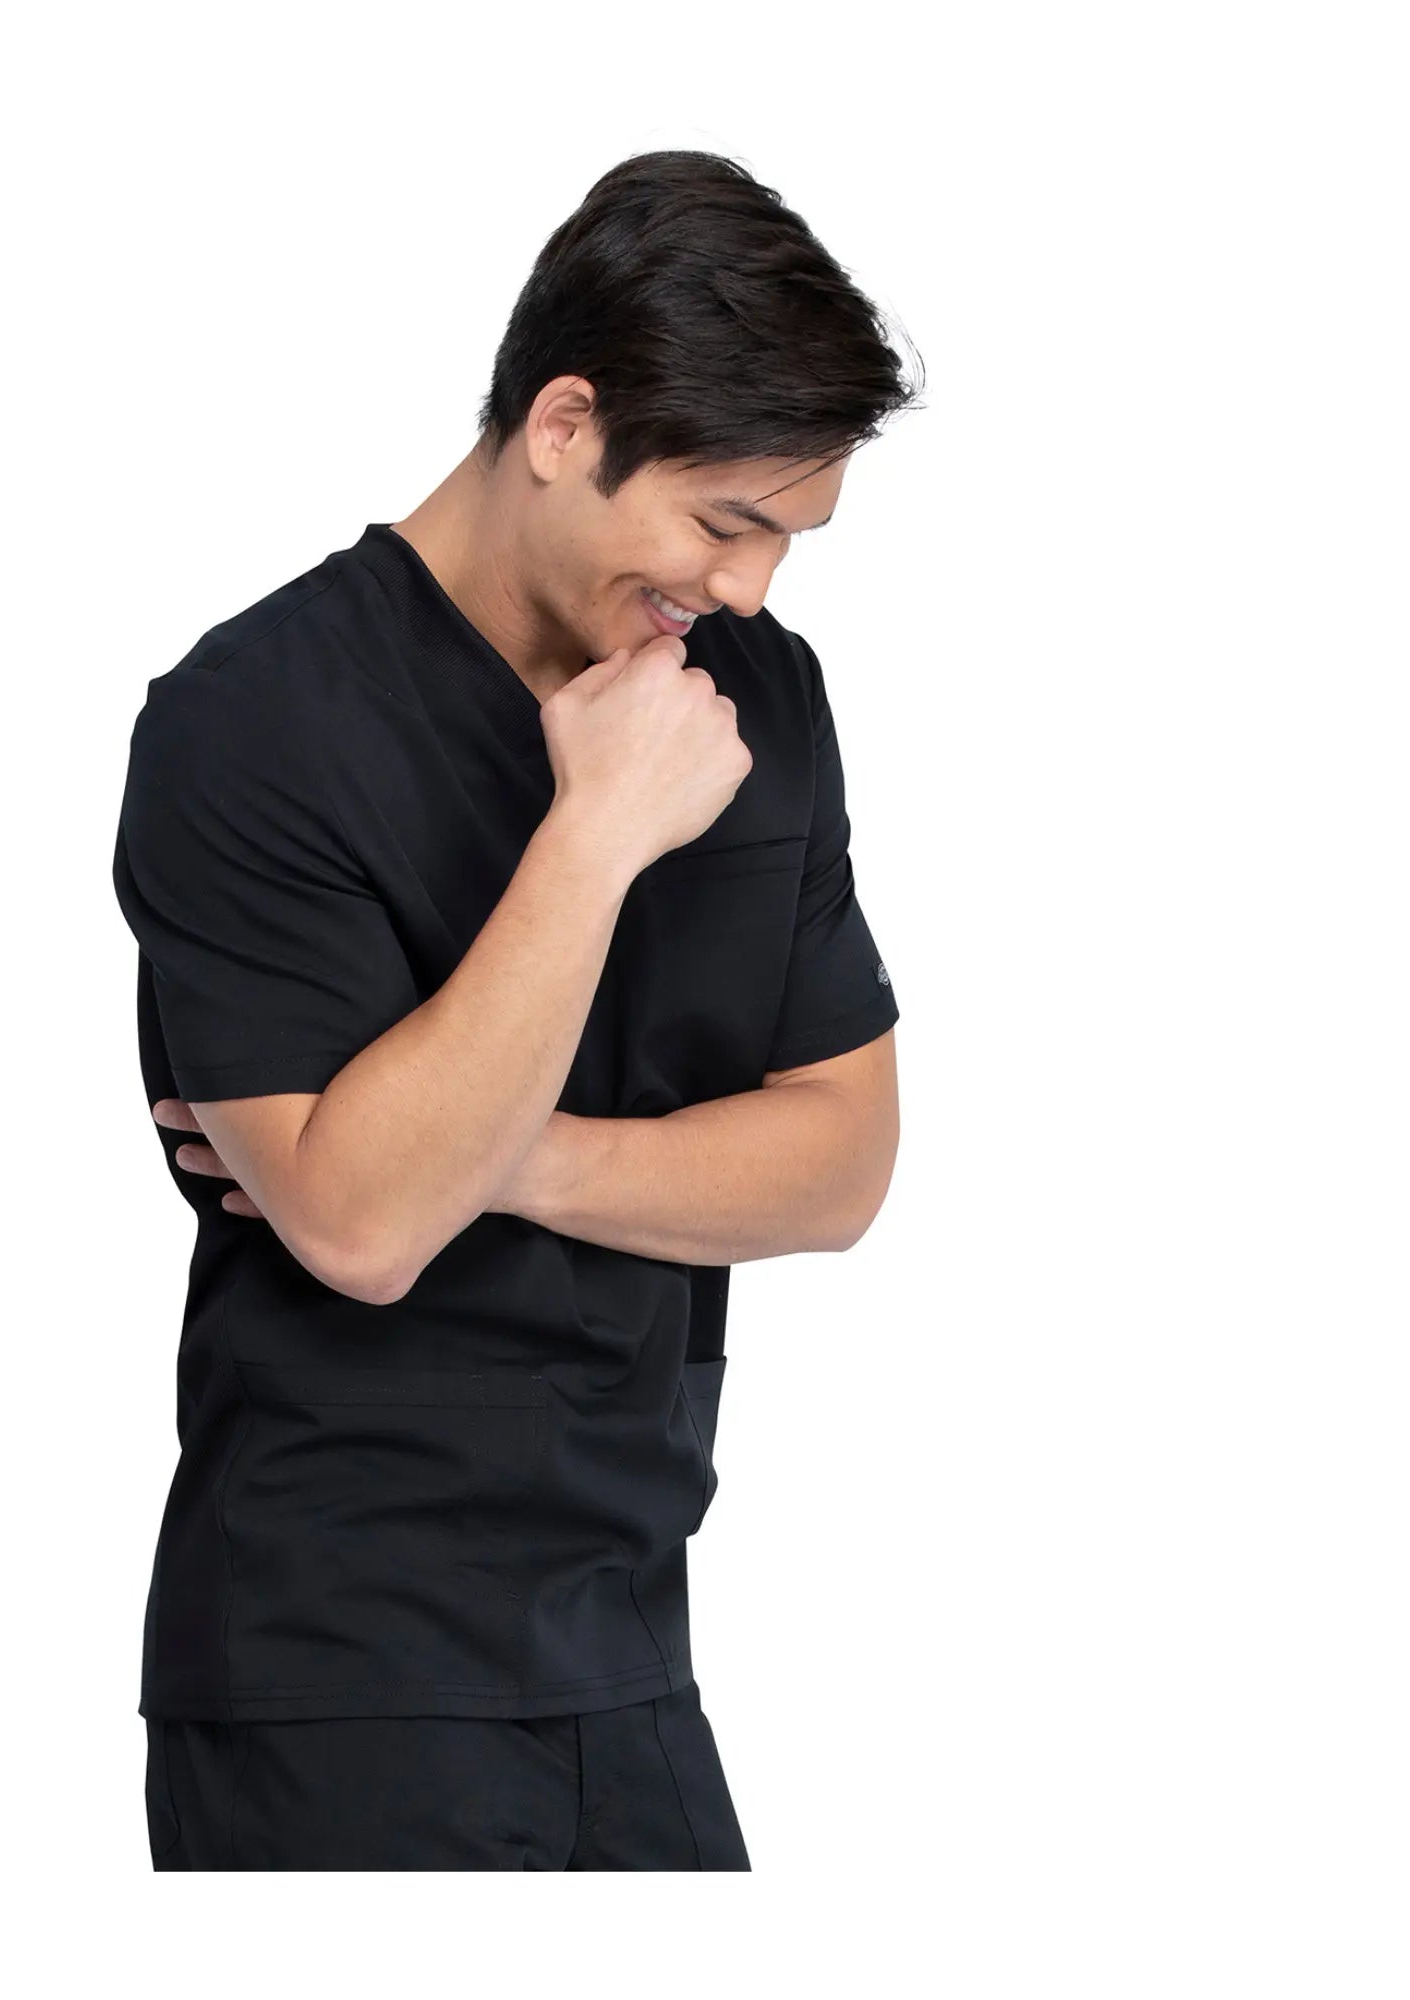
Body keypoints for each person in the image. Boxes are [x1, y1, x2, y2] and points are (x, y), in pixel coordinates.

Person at [112, 148, 919, 1870]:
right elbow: (367, 1231)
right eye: (725, 523)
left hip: (631, 1648)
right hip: (333, 1680)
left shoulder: (753, 697)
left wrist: (500, 1155)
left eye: (789, 539)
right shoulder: (249, 724)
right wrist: (598, 831)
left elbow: (844, 1166)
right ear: (564, 424)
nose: (751, 590)